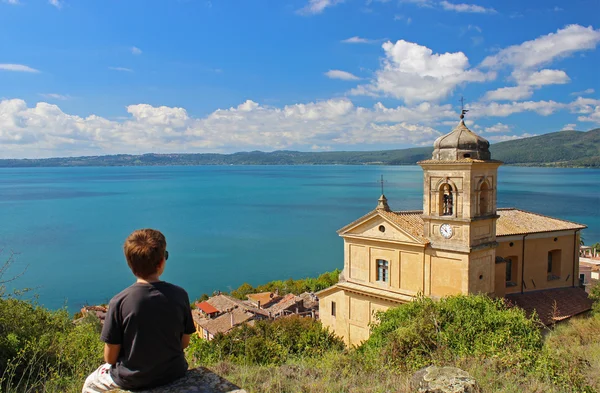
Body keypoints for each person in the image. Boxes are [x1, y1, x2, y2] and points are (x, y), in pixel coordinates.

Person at [82, 229, 196, 392]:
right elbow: (184, 343)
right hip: (174, 372)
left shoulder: (119, 302)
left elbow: (110, 357)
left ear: (130, 265)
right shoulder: (180, 295)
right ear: (161, 262)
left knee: (90, 384)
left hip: (132, 379)